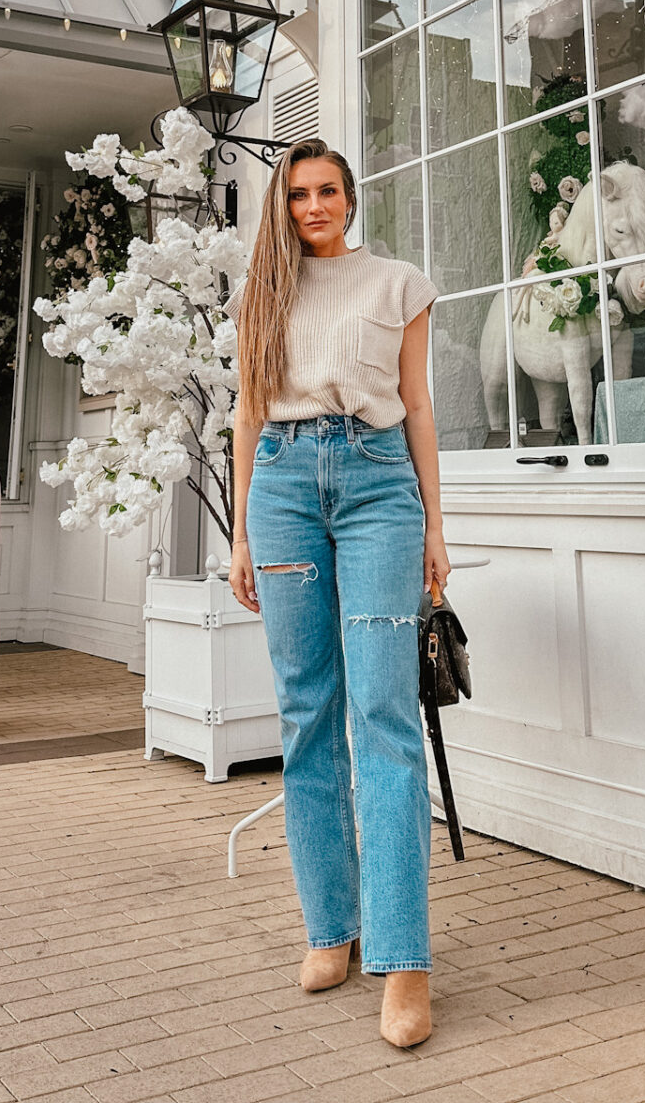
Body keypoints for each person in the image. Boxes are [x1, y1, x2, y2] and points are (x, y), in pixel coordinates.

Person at [227, 137, 448, 1050]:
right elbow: (246, 408)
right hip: (279, 484)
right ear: (282, 207)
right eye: (297, 195)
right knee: (305, 712)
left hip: (376, 486)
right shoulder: (264, 293)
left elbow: (420, 404)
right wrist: (239, 528)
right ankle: (333, 929)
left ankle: (405, 963)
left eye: (326, 191)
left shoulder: (398, 284)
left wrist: (435, 525)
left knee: (385, 715)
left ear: (351, 199)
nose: (312, 206)